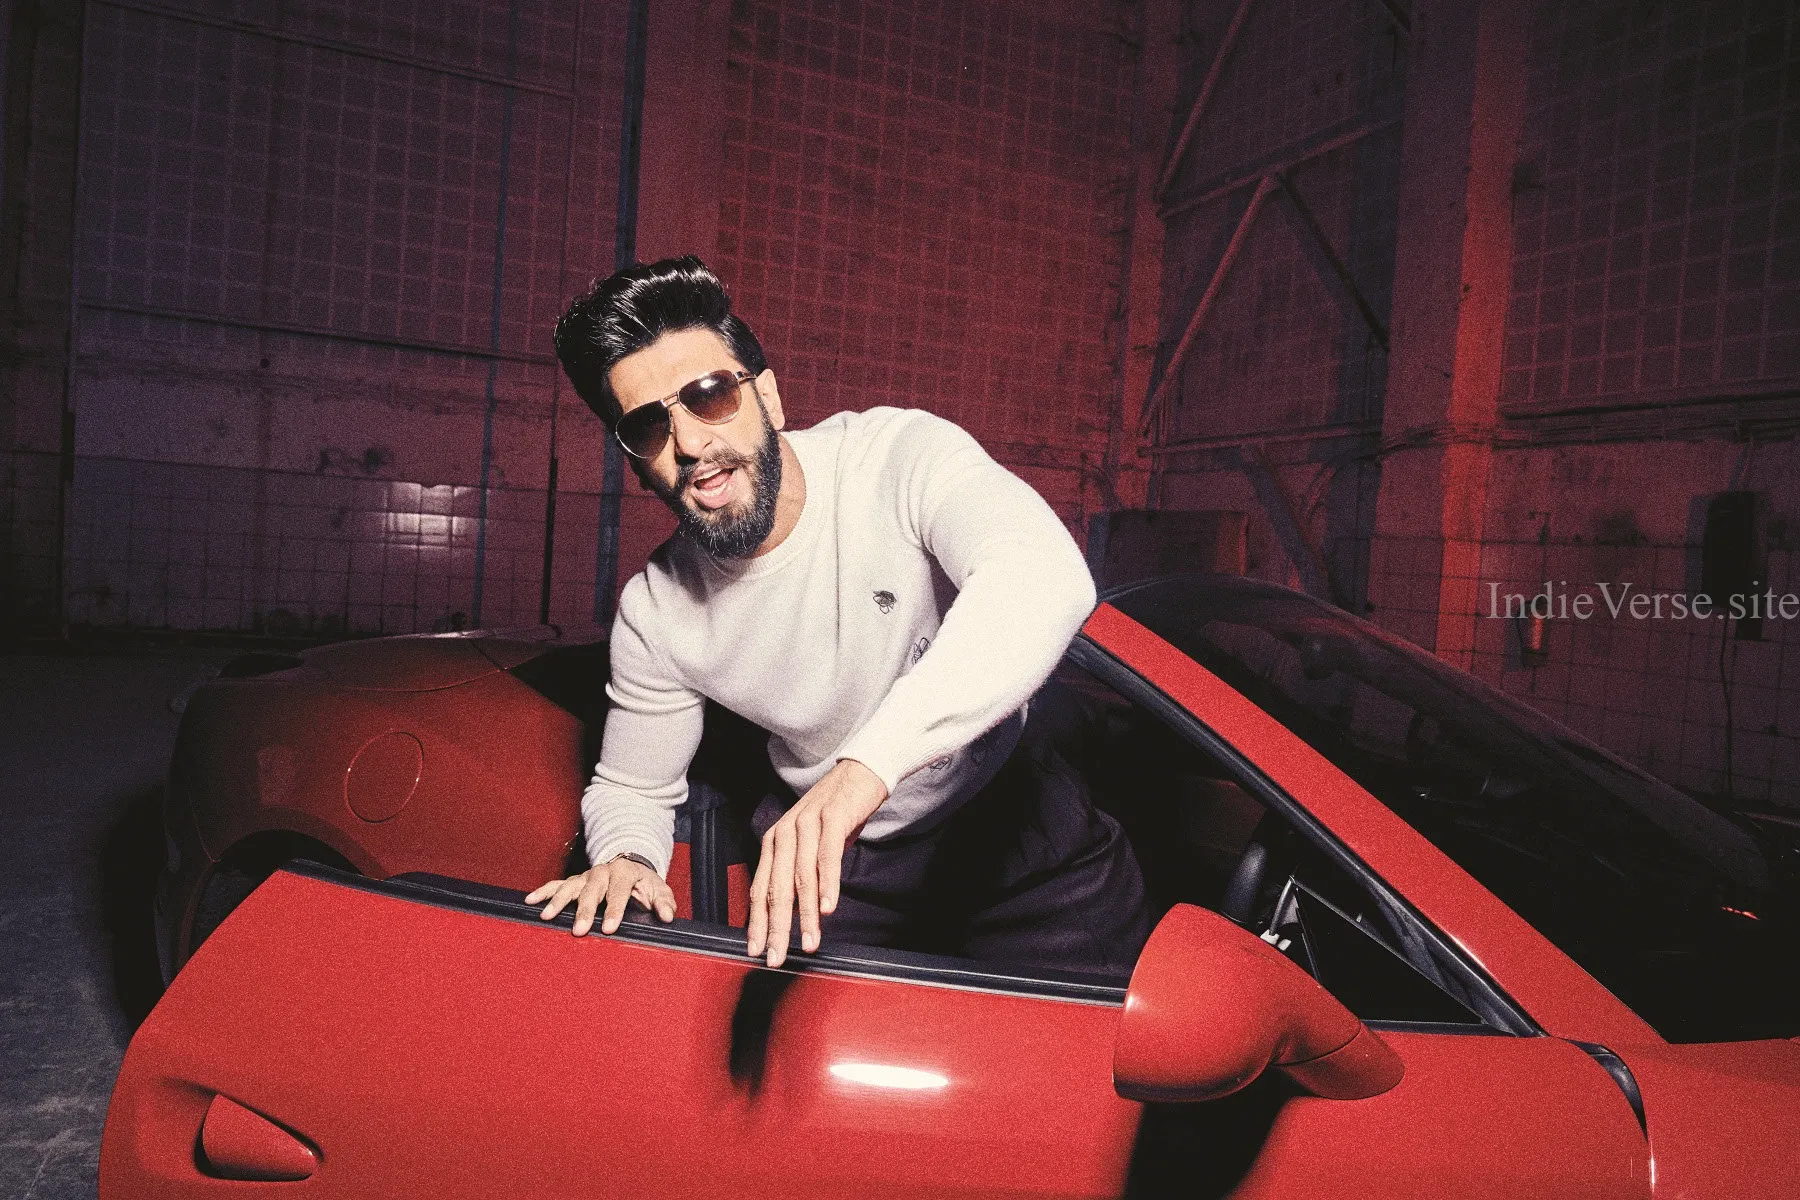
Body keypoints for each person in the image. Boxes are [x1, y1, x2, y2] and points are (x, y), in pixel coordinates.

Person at [527, 255, 1149, 973]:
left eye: (710, 395)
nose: (691, 444)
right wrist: (626, 858)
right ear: (637, 462)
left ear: (769, 397)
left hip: (1021, 833)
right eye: (647, 427)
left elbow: (1042, 574)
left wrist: (864, 768)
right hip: (843, 873)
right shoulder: (657, 611)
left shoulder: (895, 459)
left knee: (1122, 1038)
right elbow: (633, 786)